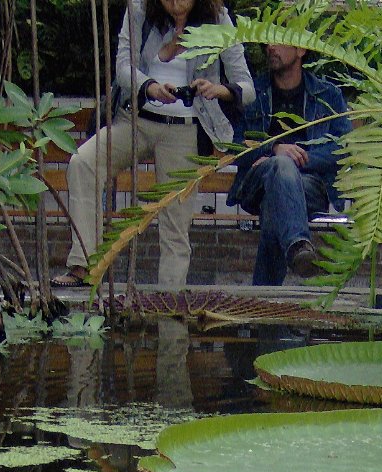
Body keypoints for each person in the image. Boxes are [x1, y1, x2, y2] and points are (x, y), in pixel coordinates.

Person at [52, 0, 254, 291]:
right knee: (82, 163)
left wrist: (218, 90)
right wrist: (149, 86)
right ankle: (83, 266)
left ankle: (169, 299)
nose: (175, 3)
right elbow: (123, 66)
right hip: (136, 118)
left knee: (175, 225)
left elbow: (246, 88)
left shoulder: (218, 18)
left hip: (185, 130)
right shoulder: (139, 10)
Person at [227, 43, 351, 286]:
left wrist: (298, 159)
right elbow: (236, 149)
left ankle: (263, 298)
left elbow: (341, 149)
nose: (271, 47)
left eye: (279, 41)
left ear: (301, 50)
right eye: (268, 41)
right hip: (257, 182)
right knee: (280, 168)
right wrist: (273, 150)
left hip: (310, 187)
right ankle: (297, 243)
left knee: (277, 197)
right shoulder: (254, 92)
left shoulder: (328, 95)